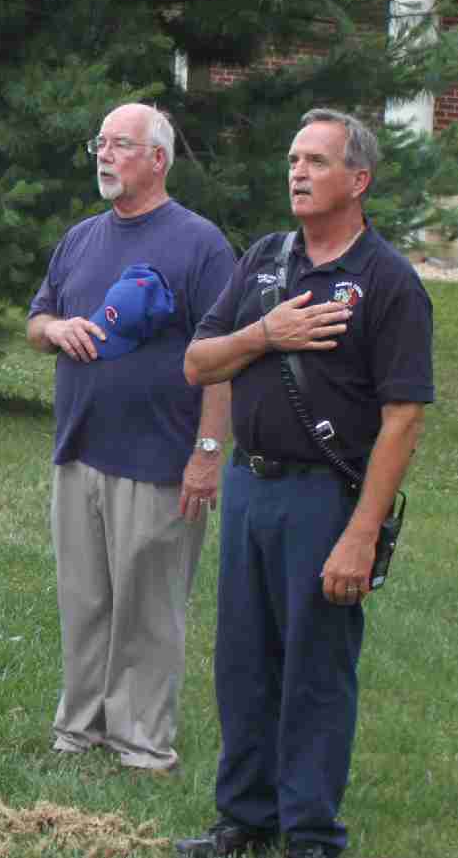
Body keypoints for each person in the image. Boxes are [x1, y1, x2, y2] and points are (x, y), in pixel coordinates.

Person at [178, 110, 432, 858]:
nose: (296, 172)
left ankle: (310, 835)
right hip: (250, 486)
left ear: (357, 181)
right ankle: (243, 820)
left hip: (325, 497)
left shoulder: (387, 281)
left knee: (315, 670)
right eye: (292, 158)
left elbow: (403, 419)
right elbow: (199, 362)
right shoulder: (265, 258)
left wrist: (359, 532)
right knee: (242, 662)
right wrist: (265, 334)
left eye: (315, 161)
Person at [25, 103, 234, 769]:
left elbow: (224, 358)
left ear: (157, 160)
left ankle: (141, 741)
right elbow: (38, 319)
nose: (104, 155)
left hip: (158, 458)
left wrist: (206, 454)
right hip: (78, 447)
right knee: (84, 598)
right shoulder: (81, 238)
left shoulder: (198, 243)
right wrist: (54, 330)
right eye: (100, 143)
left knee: (147, 606)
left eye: (120, 144)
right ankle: (78, 727)